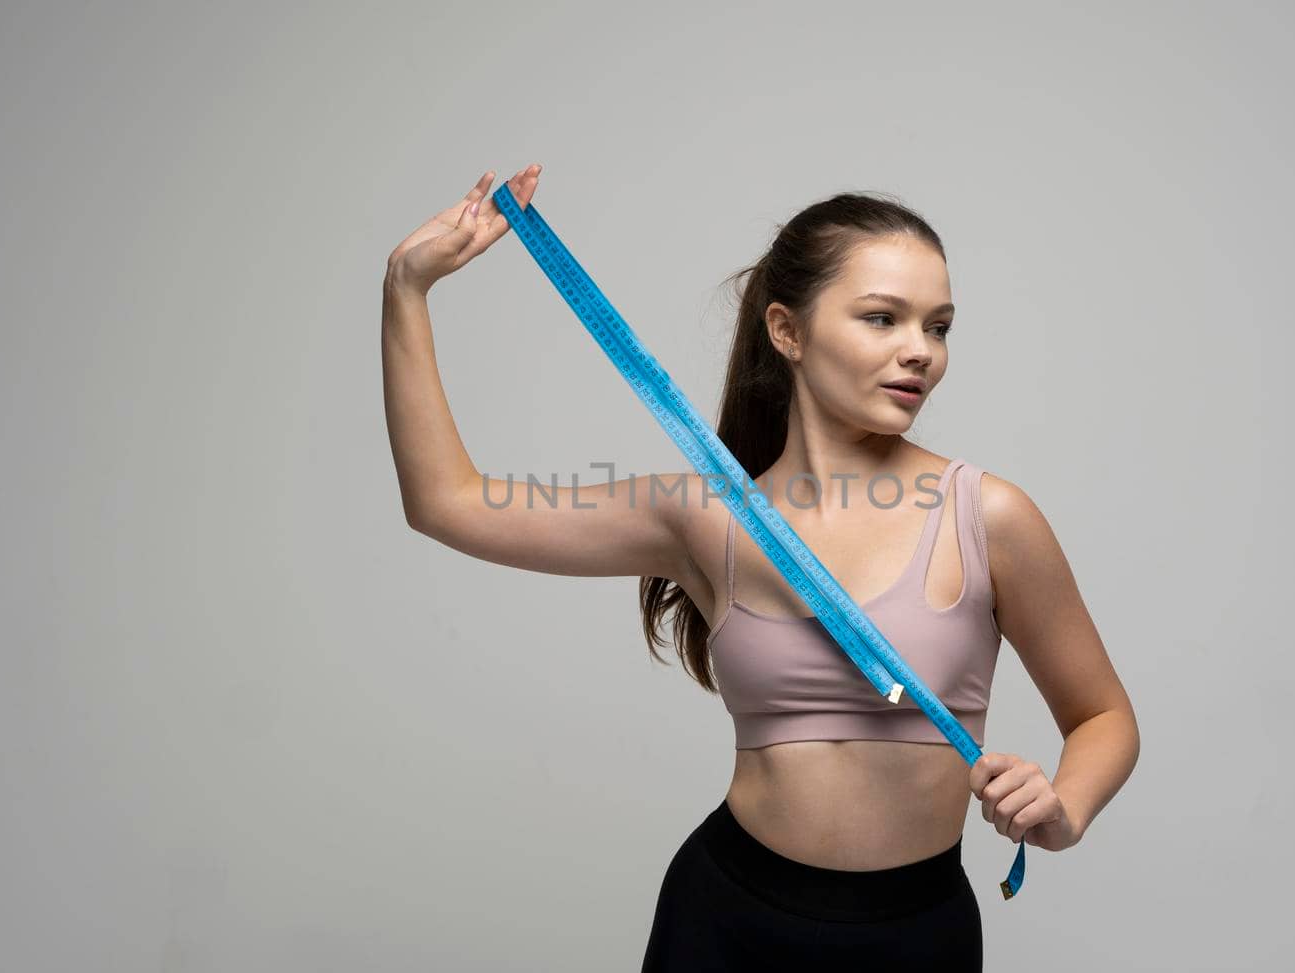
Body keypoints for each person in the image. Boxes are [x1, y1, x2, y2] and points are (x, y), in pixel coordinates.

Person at [381, 164, 1141, 970]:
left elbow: (1103, 715)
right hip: (725, 924)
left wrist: (1067, 807)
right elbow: (447, 502)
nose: (919, 351)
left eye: (939, 325)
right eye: (882, 318)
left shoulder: (987, 516)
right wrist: (406, 290)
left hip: (918, 936)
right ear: (789, 331)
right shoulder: (704, 516)